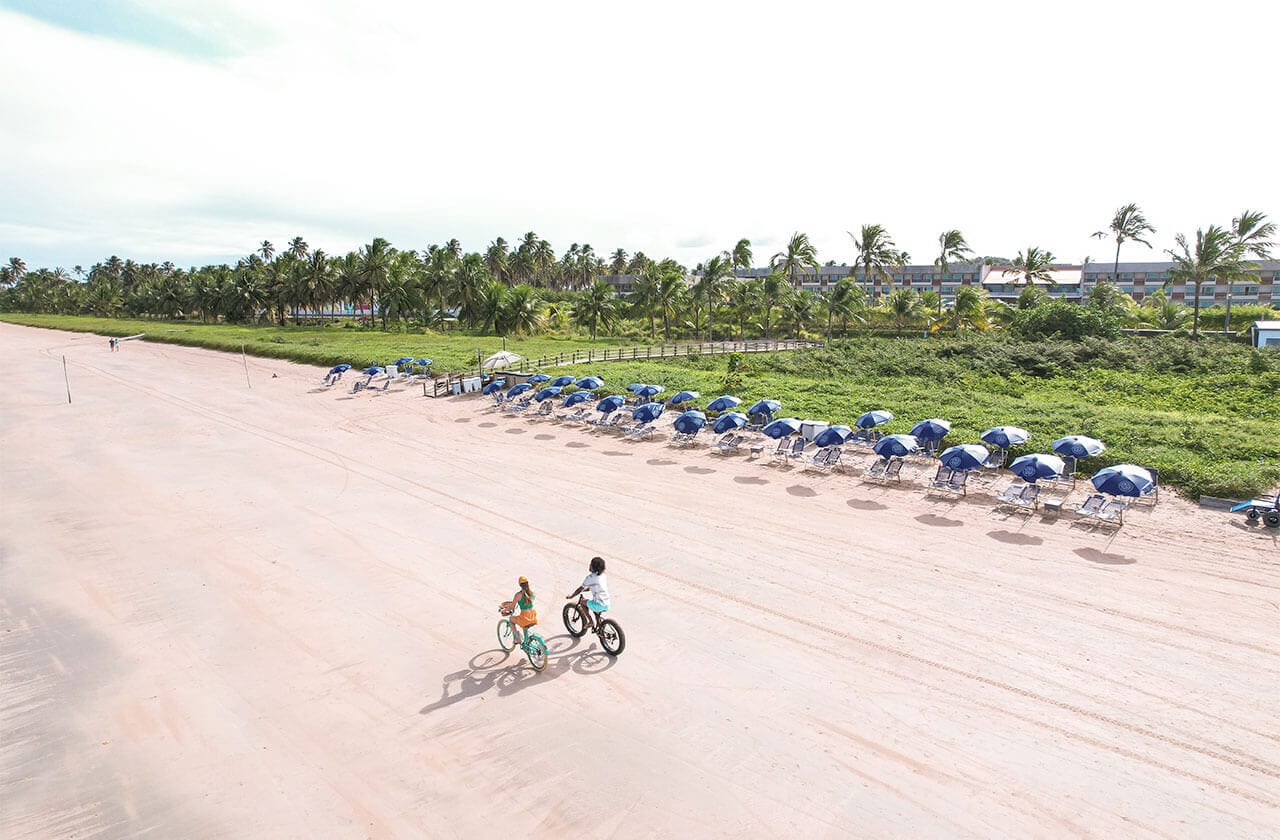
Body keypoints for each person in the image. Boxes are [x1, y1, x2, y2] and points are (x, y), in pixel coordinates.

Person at [566, 556, 610, 632]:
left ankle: (590, 621)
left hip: (598, 605)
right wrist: (586, 589)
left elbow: (579, 589)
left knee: (582, 602)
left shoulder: (589, 578)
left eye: (590, 564)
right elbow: (594, 586)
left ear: (593, 567)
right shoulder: (603, 576)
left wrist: (571, 596)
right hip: (607, 603)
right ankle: (599, 626)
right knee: (594, 607)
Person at [500, 576, 538, 647]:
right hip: (532, 615)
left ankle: (518, 638)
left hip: (525, 616)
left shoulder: (518, 595)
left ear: (520, 585)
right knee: (524, 624)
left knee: (511, 620)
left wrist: (503, 610)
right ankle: (526, 642)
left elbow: (512, 607)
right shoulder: (532, 592)